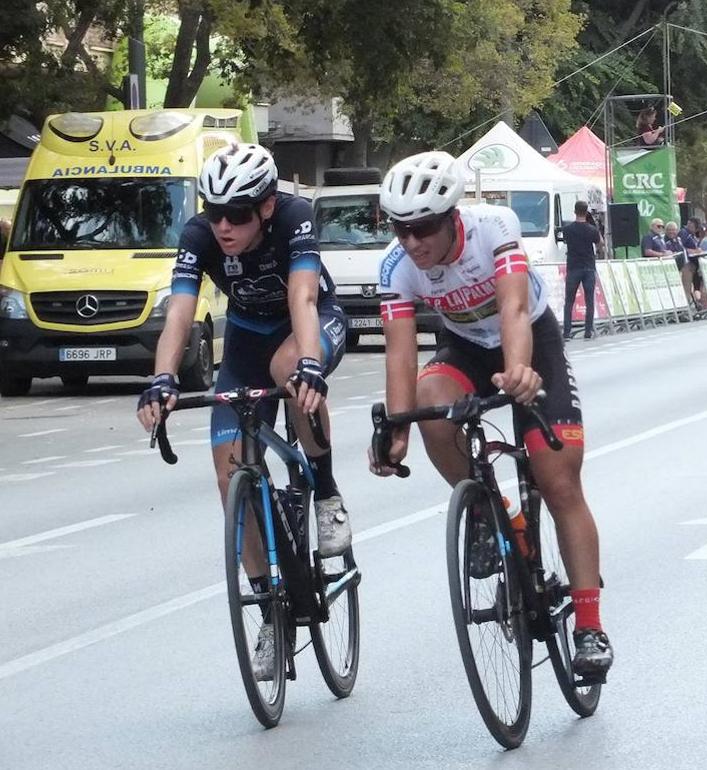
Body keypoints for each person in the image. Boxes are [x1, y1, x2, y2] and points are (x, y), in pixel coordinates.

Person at [370, 151, 613, 676]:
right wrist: (396, 427)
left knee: (559, 481)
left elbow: (515, 309)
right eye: (400, 228)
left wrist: (520, 371)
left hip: (531, 339)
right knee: (430, 400)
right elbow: (400, 352)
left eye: (424, 228)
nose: (412, 242)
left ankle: (590, 628)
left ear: (453, 216)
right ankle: (492, 513)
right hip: (464, 348)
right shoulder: (396, 265)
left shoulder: (493, 227)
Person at [136, 143, 352, 681]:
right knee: (228, 475)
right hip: (244, 346)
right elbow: (180, 312)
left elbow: (303, 298)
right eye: (214, 212)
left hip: (310, 326)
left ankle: (325, 494)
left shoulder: (295, 218)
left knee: (289, 370)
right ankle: (269, 614)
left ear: (268, 207)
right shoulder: (199, 236)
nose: (224, 226)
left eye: (237, 214)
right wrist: (162, 379)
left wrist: (309, 364)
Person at [562, 200, 604, 340]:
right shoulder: (592, 230)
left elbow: (567, 242)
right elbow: (600, 244)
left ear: (574, 211)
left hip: (573, 266)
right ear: (586, 212)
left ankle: (567, 332)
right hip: (588, 266)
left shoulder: (567, 229)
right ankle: (588, 330)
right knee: (589, 300)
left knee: (569, 300)